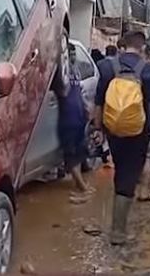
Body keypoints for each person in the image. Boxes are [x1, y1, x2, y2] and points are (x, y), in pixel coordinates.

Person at [92, 31, 150, 245]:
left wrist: (98, 128)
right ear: (142, 48)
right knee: (128, 176)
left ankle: (117, 225)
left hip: (112, 130)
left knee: (120, 169)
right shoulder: (149, 71)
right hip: (137, 133)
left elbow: (98, 102)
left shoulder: (106, 67)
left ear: (123, 46)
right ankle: (118, 232)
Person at [58, 44, 94, 203]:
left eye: (73, 54)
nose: (72, 56)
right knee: (75, 154)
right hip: (71, 116)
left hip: (73, 117)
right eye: (69, 53)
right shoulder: (65, 70)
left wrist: (86, 109)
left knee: (73, 155)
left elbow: (78, 92)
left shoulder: (70, 70)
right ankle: (83, 187)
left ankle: (83, 189)